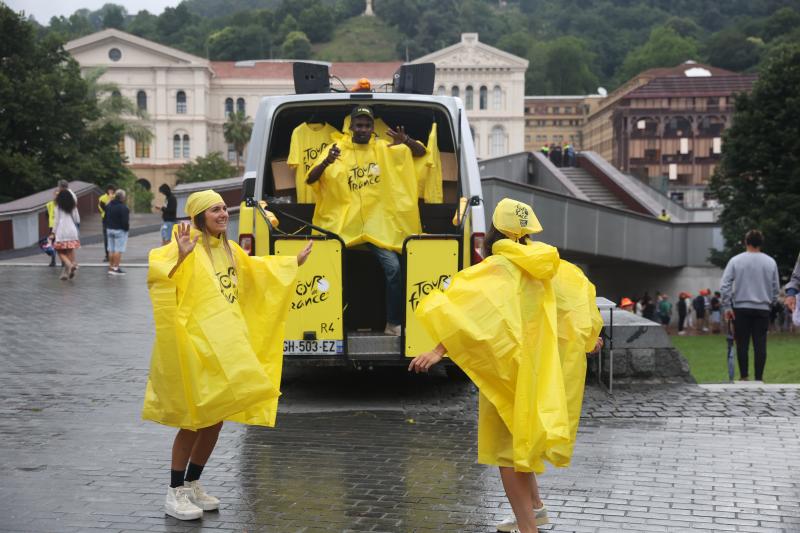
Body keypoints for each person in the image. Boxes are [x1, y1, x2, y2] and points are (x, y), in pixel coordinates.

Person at [408, 198, 603, 533]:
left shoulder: (498, 267)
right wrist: (587, 338)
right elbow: (576, 301)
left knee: (507, 454)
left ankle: (528, 529)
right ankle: (535, 510)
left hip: (506, 370)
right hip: (539, 372)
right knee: (522, 444)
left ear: (494, 231)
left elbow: (469, 312)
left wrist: (439, 350)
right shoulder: (552, 264)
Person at [142, 189, 312, 520]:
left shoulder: (229, 249)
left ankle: (192, 483)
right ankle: (174, 491)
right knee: (194, 418)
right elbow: (158, 279)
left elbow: (257, 271)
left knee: (215, 419)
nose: (222, 214)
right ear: (199, 216)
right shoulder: (184, 243)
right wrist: (179, 257)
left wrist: (292, 262)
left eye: (223, 208)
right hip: (197, 345)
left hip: (226, 344)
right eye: (214, 210)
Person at [307, 105, 426, 336]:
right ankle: (331, 324)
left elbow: (421, 152)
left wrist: (407, 140)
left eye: (367, 125)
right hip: (342, 228)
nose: (362, 129)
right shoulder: (335, 149)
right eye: (358, 125)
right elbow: (310, 178)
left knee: (393, 269)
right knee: (327, 271)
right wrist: (326, 163)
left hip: (377, 228)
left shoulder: (385, 147)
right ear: (350, 126)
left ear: (373, 128)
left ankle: (393, 323)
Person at [720, 229, 780, 382]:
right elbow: (775, 288)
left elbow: (725, 284)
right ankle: (759, 377)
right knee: (760, 344)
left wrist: (727, 306)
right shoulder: (770, 262)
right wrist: (771, 303)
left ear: (746, 242)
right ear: (761, 243)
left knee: (742, 343)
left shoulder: (735, 260)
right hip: (763, 308)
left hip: (741, 307)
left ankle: (744, 376)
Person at [52, 188, 81, 281]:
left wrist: (53, 232)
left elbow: (56, 221)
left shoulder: (58, 207)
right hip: (72, 231)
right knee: (69, 251)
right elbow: (77, 220)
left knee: (59, 251)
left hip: (62, 231)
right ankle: (68, 271)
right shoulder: (73, 207)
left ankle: (69, 265)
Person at [105, 189, 130, 275]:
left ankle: (111, 267)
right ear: (122, 198)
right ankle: (116, 268)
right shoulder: (123, 207)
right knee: (118, 250)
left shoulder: (108, 205)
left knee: (111, 249)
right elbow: (125, 221)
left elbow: (105, 217)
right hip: (119, 230)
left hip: (109, 229)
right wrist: (126, 229)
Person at [98, 184, 117, 262]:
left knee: (115, 238)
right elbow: (103, 208)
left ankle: (114, 255)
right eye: (109, 190)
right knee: (106, 238)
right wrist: (109, 200)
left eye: (112, 190)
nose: (111, 192)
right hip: (106, 219)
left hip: (115, 219)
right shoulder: (102, 198)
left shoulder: (116, 197)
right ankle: (107, 255)